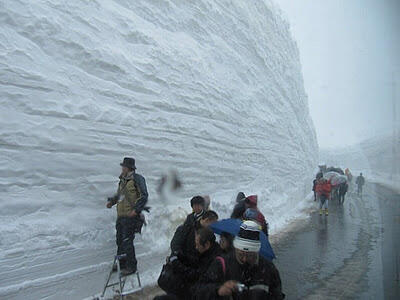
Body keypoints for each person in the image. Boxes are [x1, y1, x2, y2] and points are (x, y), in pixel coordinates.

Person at [192, 220, 284, 300]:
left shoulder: (268, 268)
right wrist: (218, 290)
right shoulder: (222, 264)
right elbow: (198, 291)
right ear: (235, 248)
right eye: (241, 254)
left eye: (250, 256)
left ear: (256, 252)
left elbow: (277, 295)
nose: (244, 259)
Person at [106, 157, 148, 275]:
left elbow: (144, 195)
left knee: (127, 241)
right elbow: (119, 196)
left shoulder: (137, 179)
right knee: (120, 240)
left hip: (131, 216)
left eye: (123, 166)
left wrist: (136, 210)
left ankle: (131, 266)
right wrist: (112, 202)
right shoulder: (123, 180)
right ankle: (122, 263)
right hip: (121, 215)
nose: (122, 168)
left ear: (128, 168)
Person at [163, 227, 222, 299]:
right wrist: (179, 256)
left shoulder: (214, 259)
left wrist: (176, 264)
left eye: (197, 245)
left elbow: (196, 275)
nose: (196, 247)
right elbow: (193, 260)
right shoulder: (207, 250)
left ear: (207, 244)